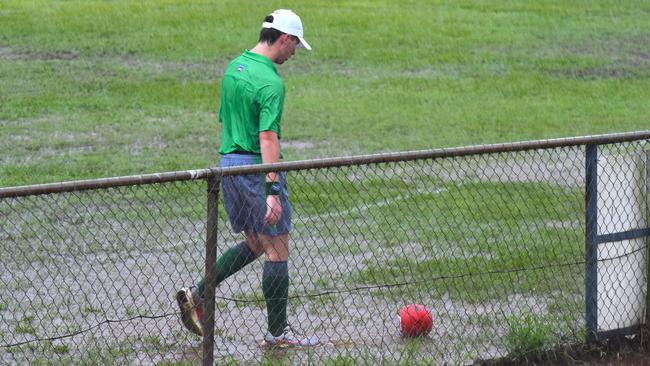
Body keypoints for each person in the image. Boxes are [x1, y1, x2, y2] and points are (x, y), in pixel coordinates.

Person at [176, 9, 317, 347]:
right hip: (256, 169)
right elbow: (268, 137)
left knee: (256, 243)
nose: (295, 51)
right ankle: (277, 333)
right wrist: (271, 189)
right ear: (284, 39)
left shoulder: (233, 68)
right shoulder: (271, 82)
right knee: (277, 249)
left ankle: (197, 294)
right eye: (295, 44)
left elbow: (225, 120)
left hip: (229, 166)